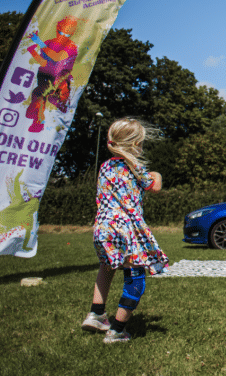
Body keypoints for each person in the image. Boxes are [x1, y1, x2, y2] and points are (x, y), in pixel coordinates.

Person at [80, 118, 168, 343]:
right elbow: (154, 186)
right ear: (136, 144)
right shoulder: (135, 167)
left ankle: (97, 313)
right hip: (126, 230)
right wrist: (157, 173)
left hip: (102, 228)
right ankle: (117, 330)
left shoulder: (106, 166)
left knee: (107, 266)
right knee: (136, 278)